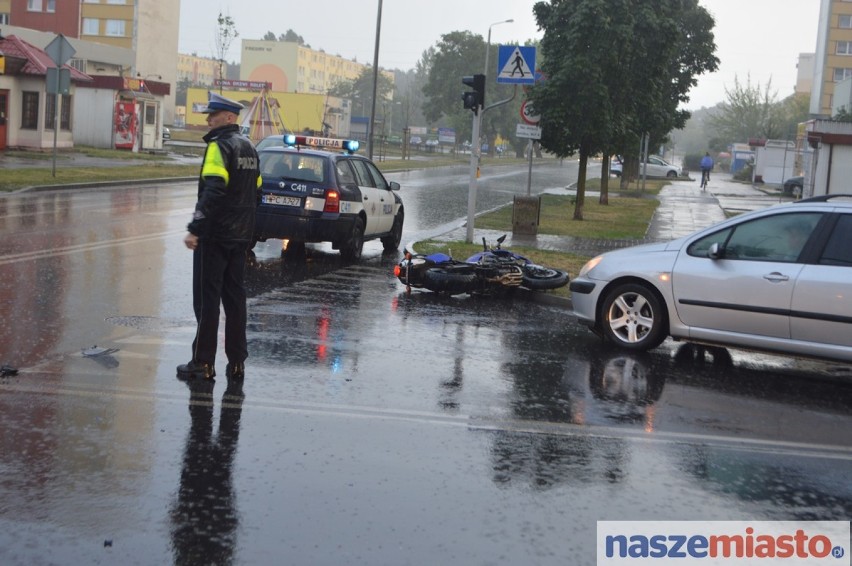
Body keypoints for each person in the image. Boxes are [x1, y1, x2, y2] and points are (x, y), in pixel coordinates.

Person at [177, 92, 261, 382]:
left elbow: (213, 191)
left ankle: (202, 363)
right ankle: (237, 362)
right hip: (239, 238)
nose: (208, 120)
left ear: (228, 117)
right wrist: (249, 232)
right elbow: (256, 192)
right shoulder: (250, 147)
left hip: (214, 238)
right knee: (236, 300)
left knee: (207, 301)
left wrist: (196, 229)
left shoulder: (219, 147)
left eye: (213, 115)